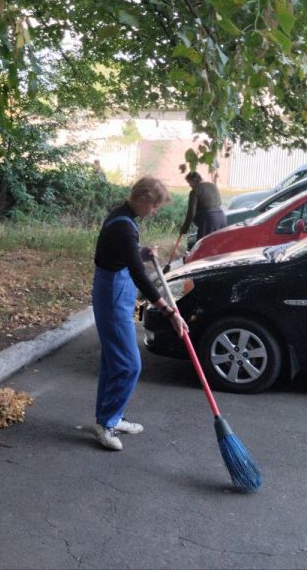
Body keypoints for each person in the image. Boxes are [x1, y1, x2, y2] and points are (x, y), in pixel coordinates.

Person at [92, 176, 187, 451]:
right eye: (154, 206)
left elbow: (122, 255)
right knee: (129, 365)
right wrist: (169, 310)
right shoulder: (124, 225)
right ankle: (106, 423)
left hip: (113, 292)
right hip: (113, 297)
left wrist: (141, 252)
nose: (154, 211)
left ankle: (110, 417)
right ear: (144, 199)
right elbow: (139, 276)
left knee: (114, 362)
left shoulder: (122, 215)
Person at [180, 170, 226, 242]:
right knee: (219, 245)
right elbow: (219, 202)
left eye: (189, 183)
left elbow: (191, 213)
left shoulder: (194, 191)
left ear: (194, 180)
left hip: (209, 221)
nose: (190, 185)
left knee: (204, 246)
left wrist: (184, 229)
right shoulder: (213, 185)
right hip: (222, 218)